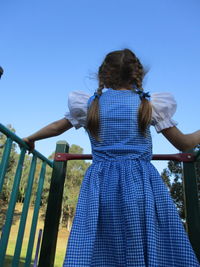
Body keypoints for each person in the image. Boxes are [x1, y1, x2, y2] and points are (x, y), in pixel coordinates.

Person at [23, 49, 200, 267]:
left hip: (100, 186)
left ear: (102, 76)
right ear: (138, 75)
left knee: (100, 239)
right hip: (141, 185)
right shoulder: (148, 105)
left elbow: (56, 127)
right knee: (140, 238)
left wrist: (31, 138)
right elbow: (185, 144)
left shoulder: (90, 104)